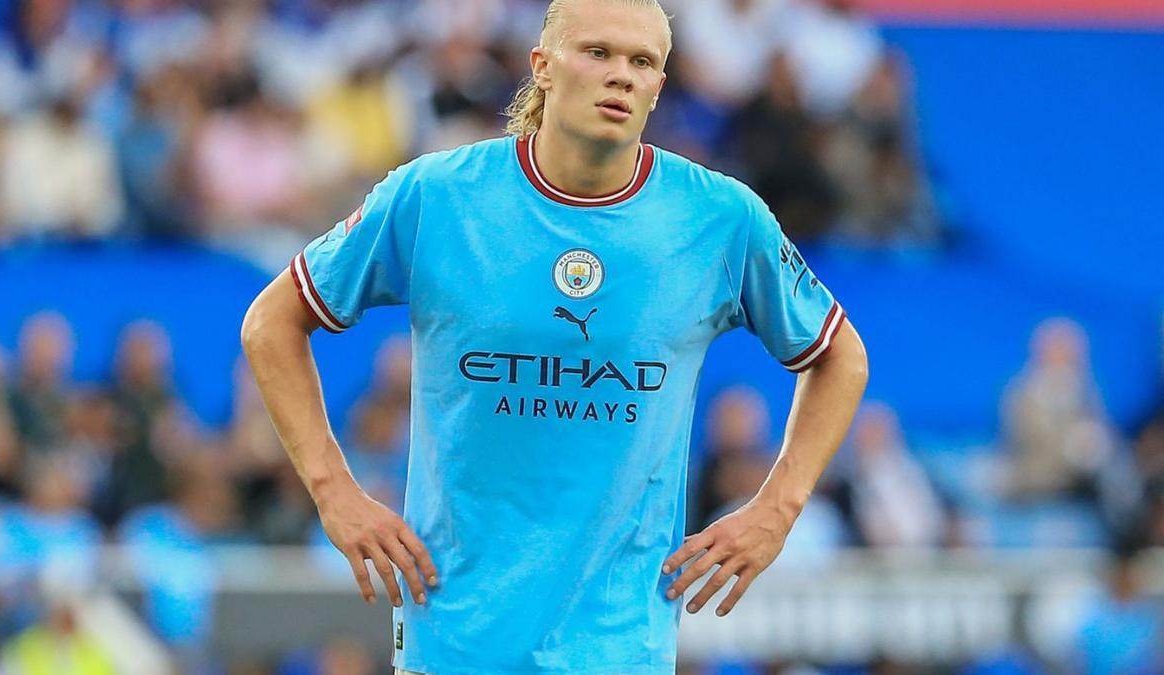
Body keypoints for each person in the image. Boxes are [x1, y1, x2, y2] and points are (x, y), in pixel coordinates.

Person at [241, 1, 868, 672]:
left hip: (619, 647)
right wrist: (333, 489)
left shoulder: (720, 218)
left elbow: (840, 356)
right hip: (454, 640)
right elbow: (272, 321)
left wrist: (778, 505)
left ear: (659, 88)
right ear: (541, 66)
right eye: (597, 52)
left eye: (642, 62)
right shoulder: (437, 196)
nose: (621, 75)